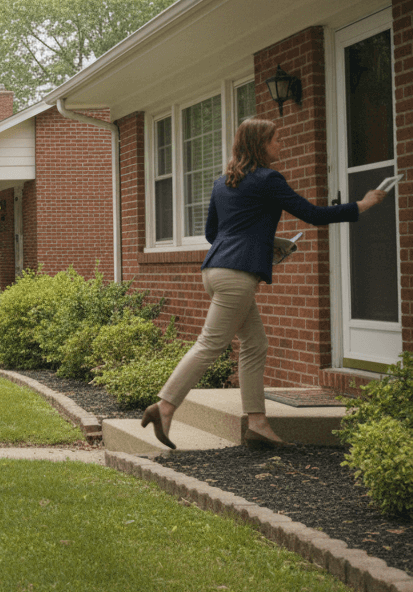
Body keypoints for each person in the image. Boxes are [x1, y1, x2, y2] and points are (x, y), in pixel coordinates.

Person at [141, 118, 387, 450]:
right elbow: (312, 214)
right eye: (276, 140)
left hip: (214, 271)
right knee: (210, 345)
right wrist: (363, 204)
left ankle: (257, 422)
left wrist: (263, 242)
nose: (281, 145)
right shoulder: (268, 179)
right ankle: (165, 407)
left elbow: (213, 234)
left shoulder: (221, 183)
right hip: (236, 277)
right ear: (260, 145)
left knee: (255, 343)